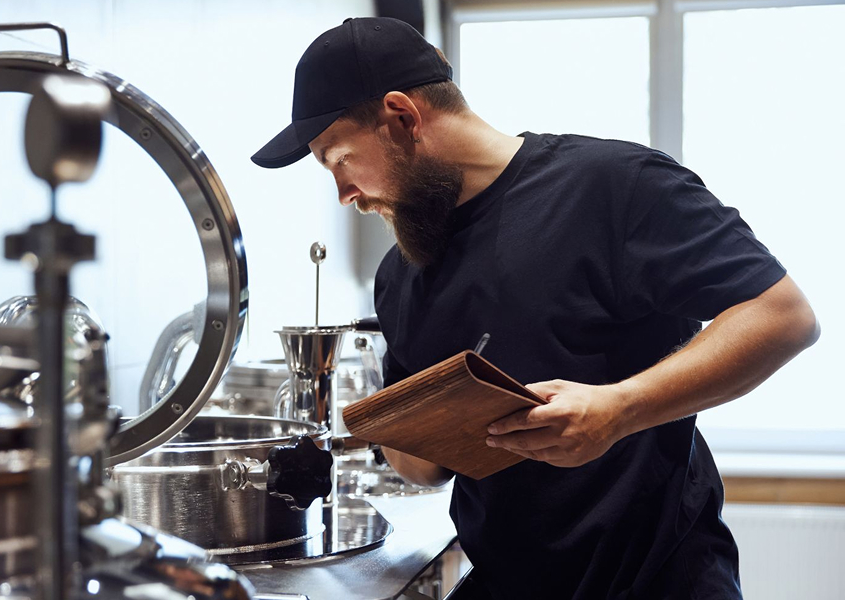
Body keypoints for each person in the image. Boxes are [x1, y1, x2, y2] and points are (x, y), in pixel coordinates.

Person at [250, 16, 820, 600]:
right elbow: (423, 467)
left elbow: (783, 316)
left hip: (657, 580)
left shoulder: (612, 187)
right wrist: (382, 430)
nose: (343, 194)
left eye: (337, 158)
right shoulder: (402, 273)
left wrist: (619, 409)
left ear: (402, 116)